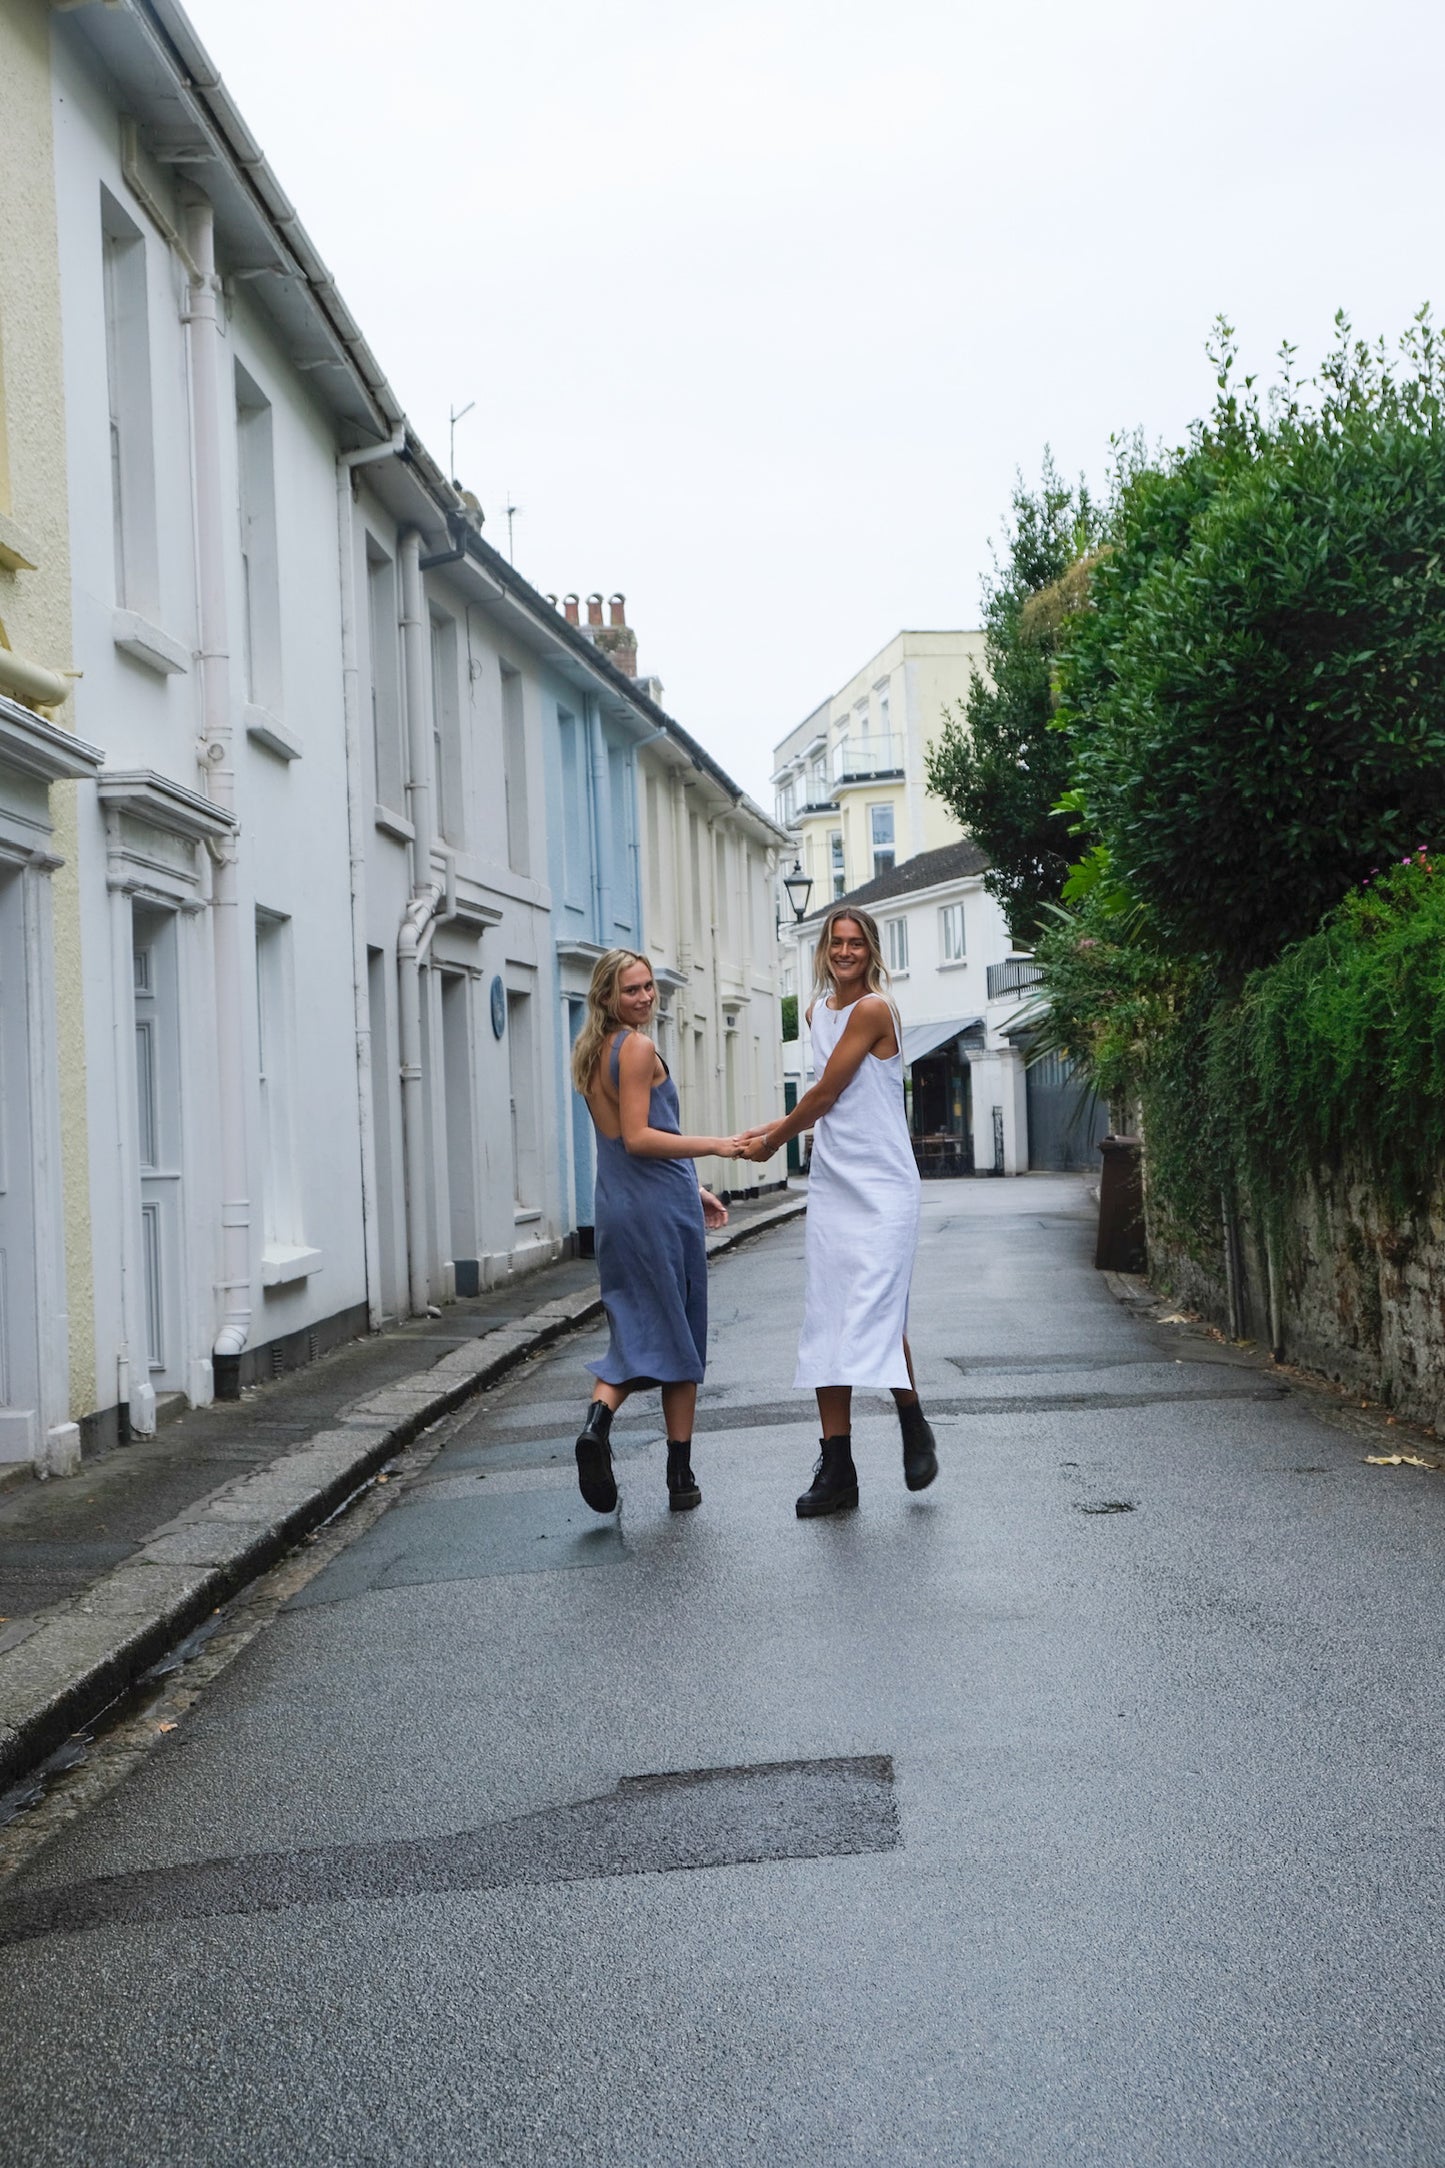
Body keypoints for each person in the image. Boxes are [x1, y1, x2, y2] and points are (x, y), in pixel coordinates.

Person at [739, 905, 938, 1516]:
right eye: (836, 943)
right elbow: (824, 1098)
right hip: (834, 1182)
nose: (845, 952)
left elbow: (825, 1093)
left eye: (855, 943)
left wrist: (773, 1140)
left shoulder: (875, 1010)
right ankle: (838, 1468)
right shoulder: (815, 1013)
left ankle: (912, 1421)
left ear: (870, 950)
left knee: (873, 1311)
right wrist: (767, 1130)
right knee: (828, 1316)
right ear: (824, 950)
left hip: (883, 1186)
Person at [571, 948, 741, 1516]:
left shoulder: (591, 1050)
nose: (645, 996)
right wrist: (715, 1146)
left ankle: (596, 1426)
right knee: (680, 1335)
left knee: (633, 1333)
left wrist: (694, 1187)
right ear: (607, 996)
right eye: (632, 989)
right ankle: (680, 1475)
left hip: (617, 1208)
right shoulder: (638, 1048)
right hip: (659, 1213)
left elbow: (624, 1144)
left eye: (648, 986)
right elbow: (641, 1138)